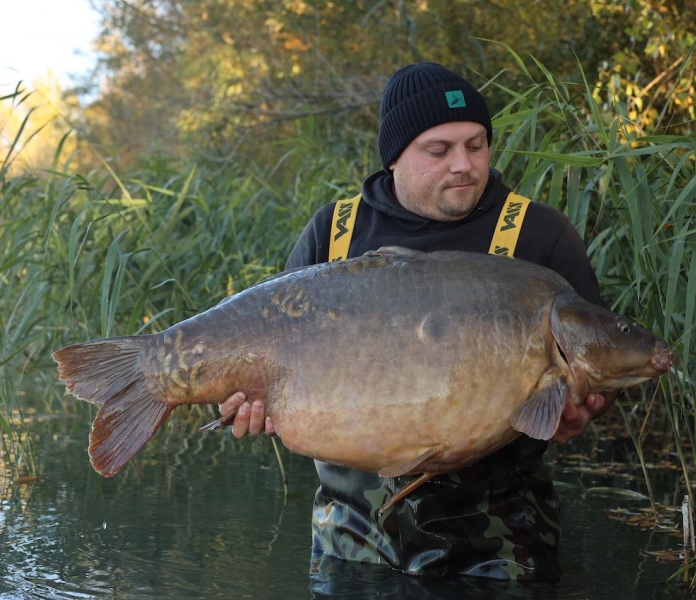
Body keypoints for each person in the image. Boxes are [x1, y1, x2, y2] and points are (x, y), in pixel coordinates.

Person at [217, 62, 614, 582]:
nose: (464, 165)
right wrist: (240, 405)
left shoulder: (537, 235)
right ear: (395, 157)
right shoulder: (334, 233)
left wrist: (586, 410)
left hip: (499, 543)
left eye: (476, 145)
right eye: (439, 150)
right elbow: (266, 357)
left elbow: (599, 358)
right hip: (350, 539)